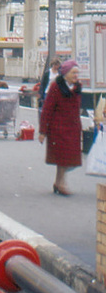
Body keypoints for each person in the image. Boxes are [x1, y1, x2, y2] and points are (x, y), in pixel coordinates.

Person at [39, 60, 82, 196]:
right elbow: (47, 109)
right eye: (73, 72)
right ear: (65, 74)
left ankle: (58, 182)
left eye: (77, 72)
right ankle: (62, 183)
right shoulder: (55, 87)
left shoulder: (77, 87)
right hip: (58, 127)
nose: (76, 75)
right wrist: (42, 131)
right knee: (63, 156)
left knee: (66, 157)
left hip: (73, 127)